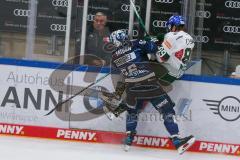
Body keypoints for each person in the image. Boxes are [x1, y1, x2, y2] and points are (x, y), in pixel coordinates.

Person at [100, 27, 195, 154]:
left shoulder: (114, 58)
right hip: (149, 84)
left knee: (132, 112)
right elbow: (157, 50)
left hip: (132, 89)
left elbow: (127, 62)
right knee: (167, 111)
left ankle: (128, 138)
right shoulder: (136, 43)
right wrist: (150, 40)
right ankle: (177, 142)